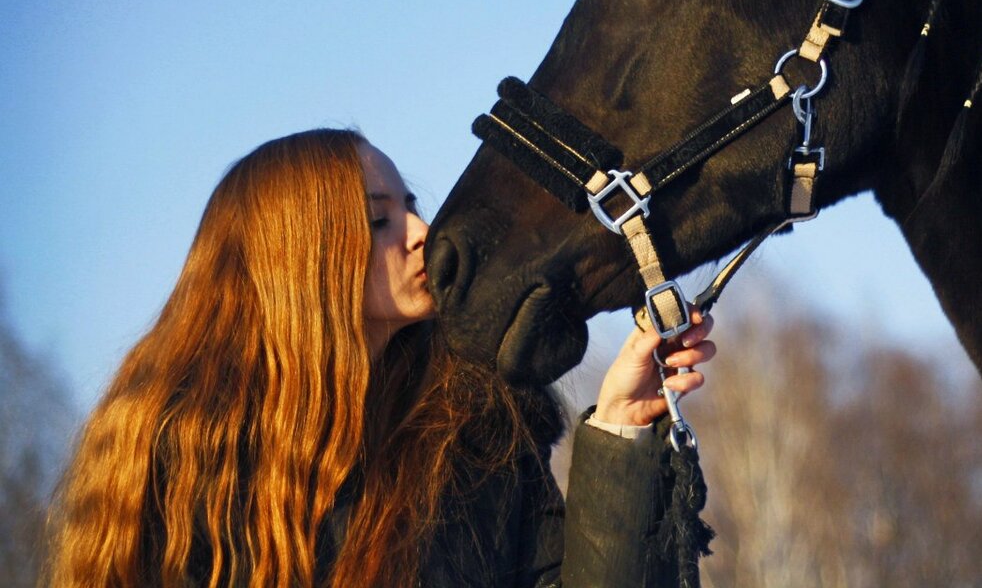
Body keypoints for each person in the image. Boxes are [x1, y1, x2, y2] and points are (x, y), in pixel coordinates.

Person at [44, 128, 715, 587]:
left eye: (412, 207)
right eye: (378, 220)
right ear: (294, 260)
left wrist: (622, 426)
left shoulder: (475, 433)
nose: (423, 233)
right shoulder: (181, 457)